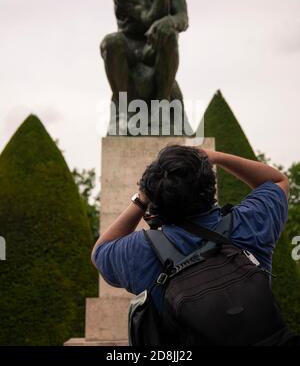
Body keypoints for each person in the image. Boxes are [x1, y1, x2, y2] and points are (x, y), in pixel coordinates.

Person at [91, 144, 290, 344]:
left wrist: (141, 199)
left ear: (155, 200)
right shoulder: (248, 223)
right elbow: (277, 180)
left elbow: (100, 251)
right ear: (211, 185)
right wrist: (216, 157)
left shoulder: (141, 250)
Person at [100, 0, 188, 103]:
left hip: (155, 48)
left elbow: (183, 18)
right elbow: (149, 19)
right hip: (130, 46)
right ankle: (125, 108)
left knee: (168, 34)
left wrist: (171, 21)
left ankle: (161, 105)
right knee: (110, 42)